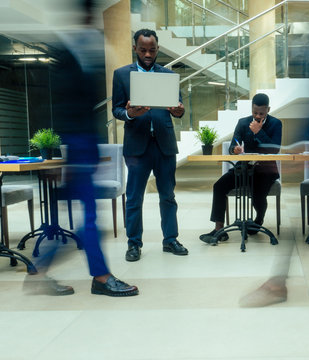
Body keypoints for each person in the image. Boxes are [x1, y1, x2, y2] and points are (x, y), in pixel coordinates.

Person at [25, 0, 138, 297]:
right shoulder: (65, 54)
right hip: (77, 146)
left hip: (84, 146)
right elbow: (60, 108)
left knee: (84, 219)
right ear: (86, 14)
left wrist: (91, 149)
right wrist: (65, 158)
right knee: (89, 220)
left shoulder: (85, 47)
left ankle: (41, 273)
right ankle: (99, 277)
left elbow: (87, 108)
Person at [112, 29, 188, 262]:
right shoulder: (122, 74)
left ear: (157, 49)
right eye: (143, 49)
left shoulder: (168, 75)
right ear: (135, 48)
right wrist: (130, 113)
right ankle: (134, 244)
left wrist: (179, 110)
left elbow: (178, 107)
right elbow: (116, 109)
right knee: (135, 198)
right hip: (137, 147)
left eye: (152, 50)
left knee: (168, 196)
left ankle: (170, 240)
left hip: (164, 145)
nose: (148, 54)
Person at [199, 93, 282, 244]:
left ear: (268, 110)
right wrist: (234, 149)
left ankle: (258, 219)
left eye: (261, 113)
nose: (257, 116)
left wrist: (259, 132)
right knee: (219, 186)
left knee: (258, 195)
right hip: (244, 167)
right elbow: (232, 145)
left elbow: (274, 150)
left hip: (266, 170)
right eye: (255, 112)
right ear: (252, 109)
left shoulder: (276, 124)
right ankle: (219, 230)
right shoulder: (243, 123)